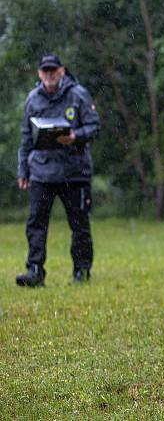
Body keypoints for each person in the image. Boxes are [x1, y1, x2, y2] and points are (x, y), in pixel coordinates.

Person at [15, 53, 100, 287]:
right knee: (36, 223)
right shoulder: (33, 99)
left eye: (54, 70)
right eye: (46, 70)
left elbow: (94, 126)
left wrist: (75, 136)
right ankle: (34, 270)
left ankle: (81, 271)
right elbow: (26, 138)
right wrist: (23, 170)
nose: (50, 74)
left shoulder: (78, 94)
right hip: (41, 172)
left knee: (79, 224)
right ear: (39, 73)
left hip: (74, 172)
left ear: (62, 71)